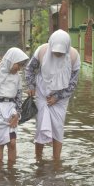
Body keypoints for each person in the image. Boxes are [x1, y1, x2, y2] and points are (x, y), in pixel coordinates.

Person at [25, 29, 80, 160]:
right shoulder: (42, 50)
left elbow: (73, 83)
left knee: (58, 127)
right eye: (55, 51)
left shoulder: (73, 55)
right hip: (42, 93)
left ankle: (56, 160)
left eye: (61, 52)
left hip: (61, 97)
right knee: (40, 126)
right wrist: (31, 86)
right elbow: (29, 69)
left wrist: (57, 97)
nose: (57, 54)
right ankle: (38, 158)